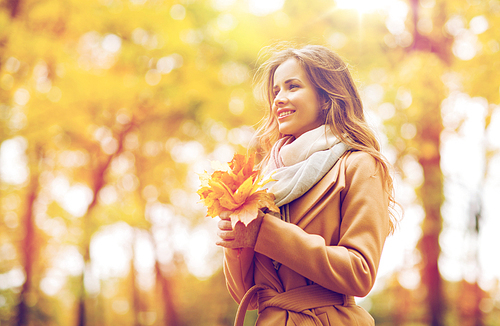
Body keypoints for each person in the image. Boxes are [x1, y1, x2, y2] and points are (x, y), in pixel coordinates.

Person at [216, 44, 398, 326]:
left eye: (292, 87)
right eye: (276, 91)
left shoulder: (358, 165)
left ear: (325, 97)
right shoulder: (263, 179)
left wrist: (264, 233)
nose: (279, 99)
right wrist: (236, 243)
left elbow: (359, 273)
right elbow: (246, 296)